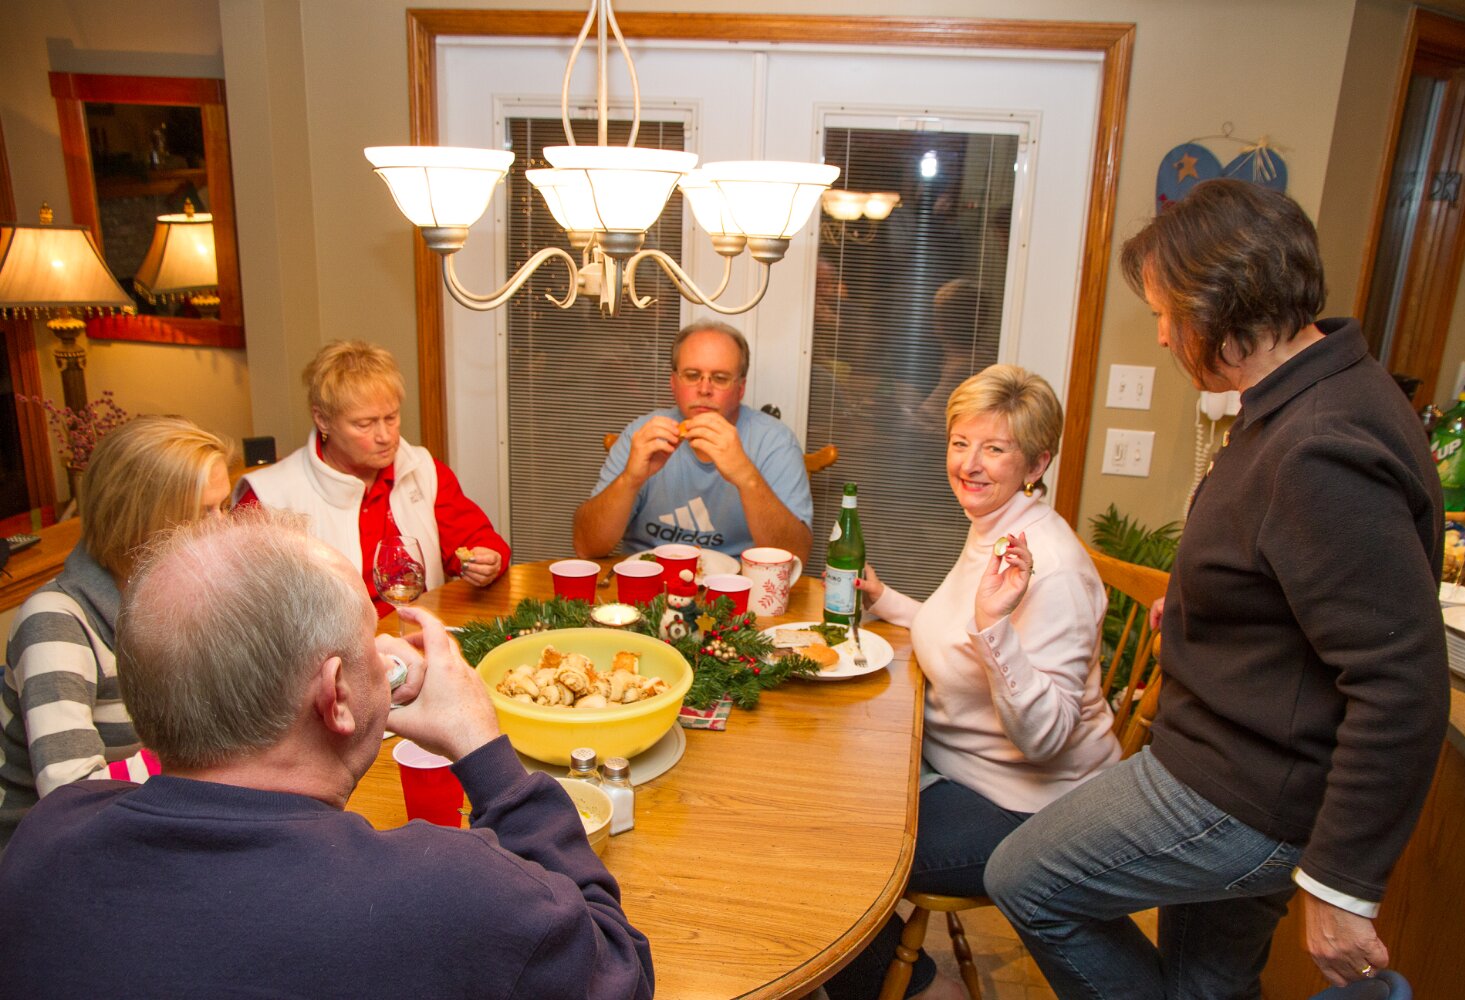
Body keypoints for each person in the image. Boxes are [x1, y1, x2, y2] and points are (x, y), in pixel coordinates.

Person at [986, 179, 1449, 997]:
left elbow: (1401, 681)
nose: (1163, 334)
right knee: (1208, 984)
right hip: (1246, 767)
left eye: (1166, 312)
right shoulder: (1318, 389)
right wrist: (1210, 605)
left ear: (1219, 306)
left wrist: (1342, 884)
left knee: (1026, 879)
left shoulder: (1319, 444)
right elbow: (1288, 571)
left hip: (1242, 789)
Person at [0, 510, 654, 999]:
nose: (388, 657)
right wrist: (484, 750)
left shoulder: (47, 837)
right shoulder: (449, 894)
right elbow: (618, 969)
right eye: (370, 640)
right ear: (336, 695)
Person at [823, 364, 1120, 1000]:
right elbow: (955, 631)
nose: (969, 464)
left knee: (836, 855)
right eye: (960, 443)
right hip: (959, 770)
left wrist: (995, 627)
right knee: (822, 794)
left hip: (1027, 809)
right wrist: (887, 599)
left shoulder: (1052, 570)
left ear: (1036, 464)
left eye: (995, 449)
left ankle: (922, 991)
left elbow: (1047, 738)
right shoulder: (993, 525)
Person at [0, 415, 231, 851]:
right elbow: (71, 799)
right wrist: (212, 754)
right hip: (46, 855)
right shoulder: (54, 622)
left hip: (151, 824)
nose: (223, 528)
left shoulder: (182, 593)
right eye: (205, 512)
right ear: (141, 520)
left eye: (224, 507)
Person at [236, 340, 509, 613]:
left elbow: (479, 541)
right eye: (364, 424)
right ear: (322, 420)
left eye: (391, 418)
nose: (385, 436)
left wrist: (487, 560)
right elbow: (245, 607)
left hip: (420, 627)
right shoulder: (268, 498)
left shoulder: (423, 470)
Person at [573, 320, 814, 562]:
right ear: (673, 383)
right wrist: (630, 479)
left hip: (739, 581)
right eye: (692, 375)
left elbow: (795, 558)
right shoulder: (643, 434)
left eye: (720, 378)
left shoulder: (775, 443)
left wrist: (747, 478)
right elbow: (586, 547)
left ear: (740, 388)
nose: (704, 389)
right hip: (648, 577)